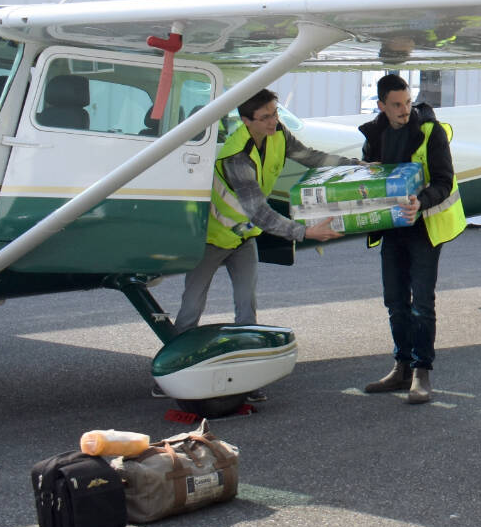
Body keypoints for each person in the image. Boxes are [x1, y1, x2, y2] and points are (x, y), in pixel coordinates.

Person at [170, 88, 353, 399]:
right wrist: (304, 233)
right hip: (213, 239)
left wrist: (356, 165)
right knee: (191, 309)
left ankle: (246, 381)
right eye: (265, 117)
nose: (274, 122)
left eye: (275, 113)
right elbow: (259, 212)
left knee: (247, 308)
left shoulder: (278, 133)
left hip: (243, 238)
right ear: (246, 121)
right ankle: (172, 375)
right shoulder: (235, 156)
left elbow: (311, 157)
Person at [359, 73, 465, 405]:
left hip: (424, 228)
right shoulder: (373, 135)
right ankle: (401, 366)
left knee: (421, 303)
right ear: (381, 106)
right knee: (394, 301)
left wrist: (421, 201)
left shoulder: (430, 132)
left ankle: (422, 373)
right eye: (396, 105)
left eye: (407, 102)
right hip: (392, 229)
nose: (404, 110)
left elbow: (444, 181)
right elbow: (369, 179)